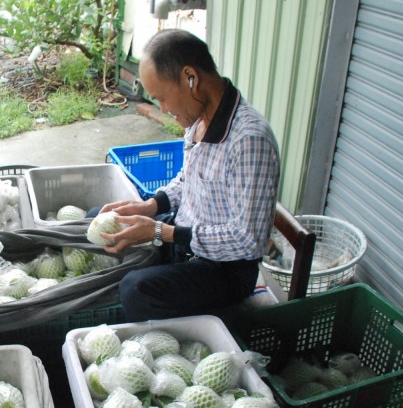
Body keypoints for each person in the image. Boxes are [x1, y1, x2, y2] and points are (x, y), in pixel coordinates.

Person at [99, 30, 280, 322]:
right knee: (105, 218)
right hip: (183, 239)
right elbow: (188, 180)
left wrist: (161, 232)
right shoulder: (198, 120)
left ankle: (222, 317)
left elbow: (248, 240)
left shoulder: (249, 139)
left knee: (135, 290)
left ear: (190, 78)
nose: (164, 109)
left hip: (222, 269)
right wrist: (151, 206)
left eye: (162, 98)